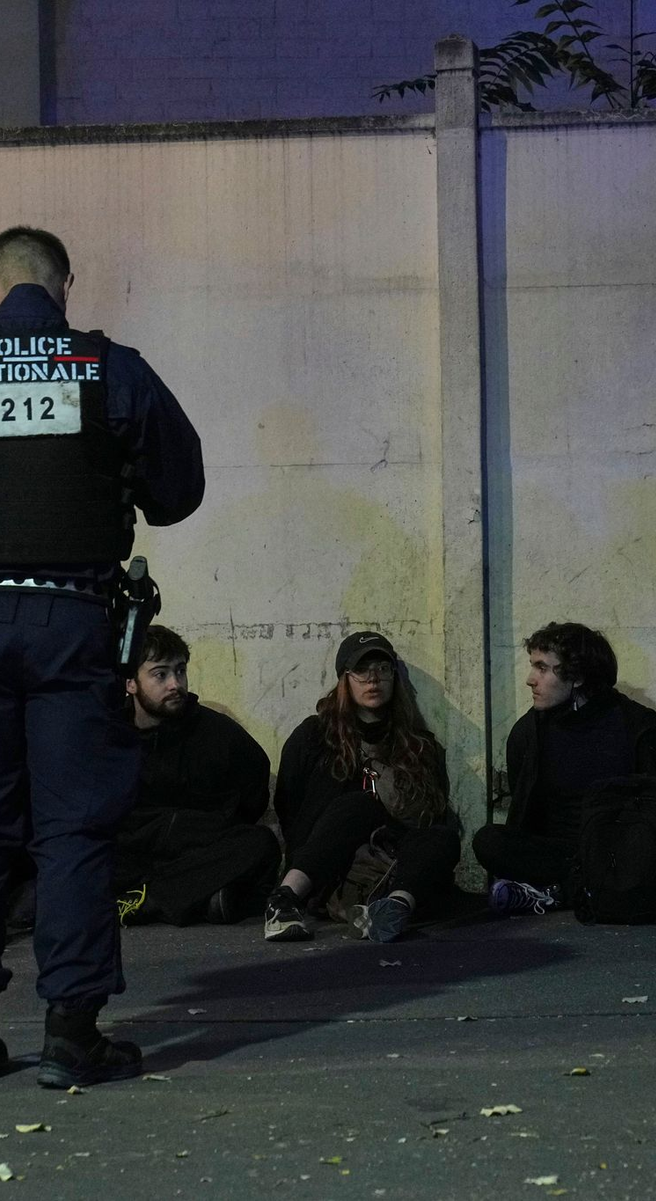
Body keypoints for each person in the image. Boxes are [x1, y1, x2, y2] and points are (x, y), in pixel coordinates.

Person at [0, 227, 203, 1088]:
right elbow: (178, 489)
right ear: (65, 285)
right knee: (72, 827)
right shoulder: (106, 367)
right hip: (70, 618)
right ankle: (71, 1033)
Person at [473, 622, 656, 915]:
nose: (530, 680)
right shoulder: (529, 733)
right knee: (489, 841)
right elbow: (525, 811)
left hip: (621, 850)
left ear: (578, 676)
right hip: (562, 854)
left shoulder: (638, 727)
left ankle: (559, 893)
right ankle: (580, 890)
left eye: (542, 668)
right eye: (533, 666)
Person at [268, 631, 458, 943]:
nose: (373, 679)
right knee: (357, 805)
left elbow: (429, 815)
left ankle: (392, 909)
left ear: (394, 677)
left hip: (393, 861)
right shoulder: (314, 737)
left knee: (443, 835)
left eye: (383, 669)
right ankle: (284, 901)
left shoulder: (419, 745)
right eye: (361, 670)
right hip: (329, 860)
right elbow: (289, 807)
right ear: (345, 678)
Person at [114, 625, 280, 927]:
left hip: (196, 853)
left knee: (260, 844)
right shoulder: (110, 736)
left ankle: (147, 900)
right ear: (130, 683)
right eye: (160, 674)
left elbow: (253, 792)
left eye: (180, 671)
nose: (175, 684)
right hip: (131, 854)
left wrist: (201, 825)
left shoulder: (217, 733)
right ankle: (202, 900)